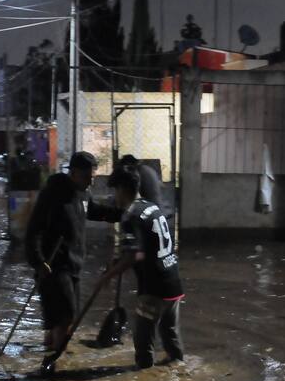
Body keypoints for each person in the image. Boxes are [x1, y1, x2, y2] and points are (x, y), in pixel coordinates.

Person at [25, 151, 121, 354]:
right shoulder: (53, 194)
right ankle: (59, 360)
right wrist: (38, 262)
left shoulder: (83, 194)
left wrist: (123, 214)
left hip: (74, 265)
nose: (90, 182)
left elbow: (95, 211)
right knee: (66, 316)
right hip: (53, 266)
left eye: (92, 177)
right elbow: (33, 230)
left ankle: (49, 352)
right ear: (74, 173)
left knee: (57, 318)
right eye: (87, 177)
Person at [98, 167, 184, 368]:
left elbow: (134, 255)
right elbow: (141, 245)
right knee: (169, 332)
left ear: (122, 189)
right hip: (173, 282)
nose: (114, 197)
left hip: (153, 287)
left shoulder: (131, 215)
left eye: (114, 191)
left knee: (143, 337)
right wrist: (116, 262)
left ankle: (144, 377)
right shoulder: (151, 207)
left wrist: (107, 276)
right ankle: (178, 366)